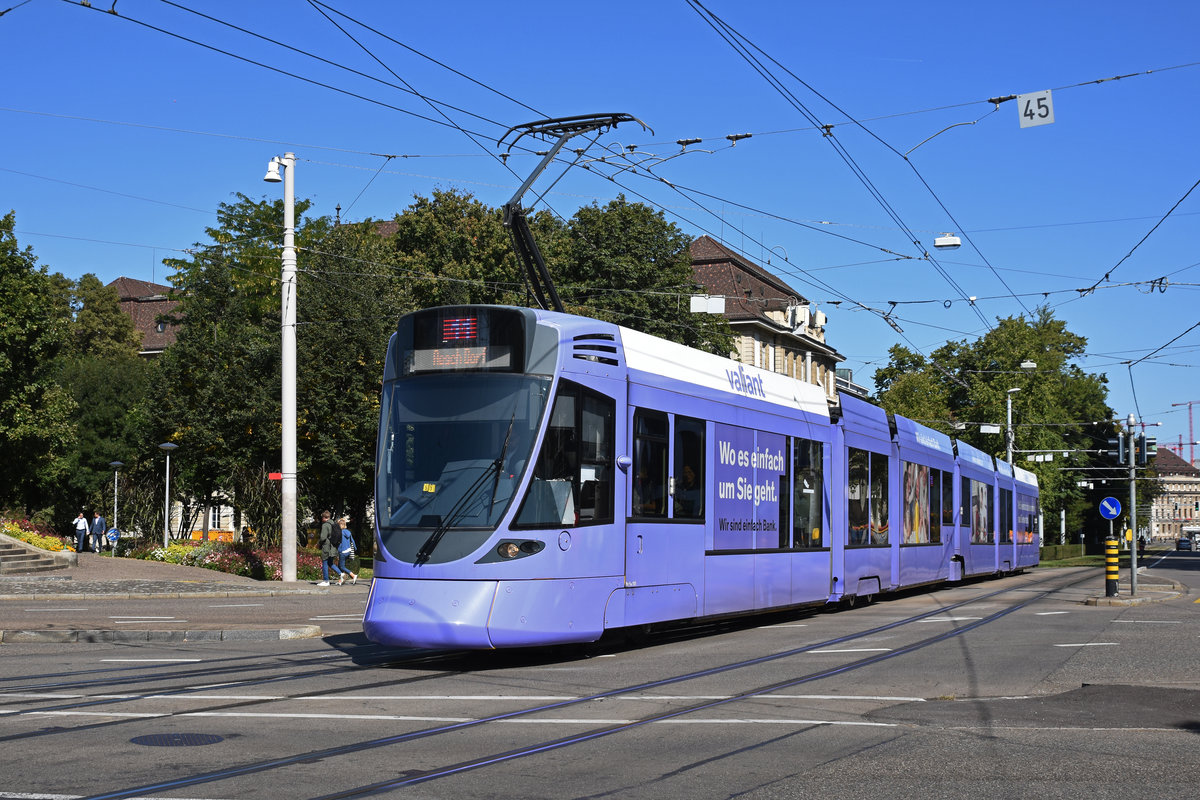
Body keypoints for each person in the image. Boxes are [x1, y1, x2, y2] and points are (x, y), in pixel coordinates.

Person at [317, 510, 337, 586]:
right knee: (330, 563)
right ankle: (341, 574)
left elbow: (323, 537)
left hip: (326, 546)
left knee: (325, 562)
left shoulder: (325, 525)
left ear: (324, 518)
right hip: (333, 546)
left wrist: (319, 543)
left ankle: (326, 581)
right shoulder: (333, 524)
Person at [336, 517, 358, 585]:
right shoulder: (348, 532)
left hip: (343, 551)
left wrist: (338, 551)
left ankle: (353, 575)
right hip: (348, 551)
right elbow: (352, 541)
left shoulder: (340, 533)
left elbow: (339, 543)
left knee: (341, 566)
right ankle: (342, 580)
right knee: (342, 565)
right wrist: (355, 548)